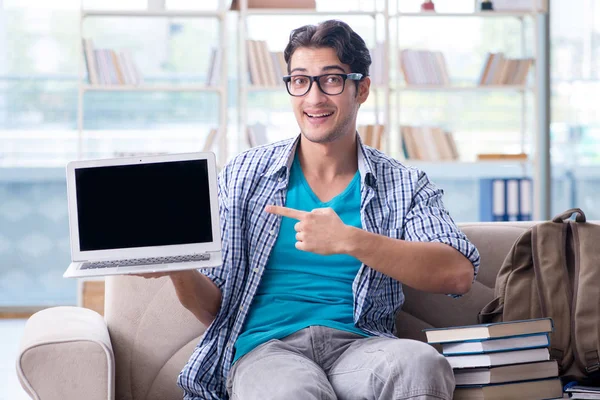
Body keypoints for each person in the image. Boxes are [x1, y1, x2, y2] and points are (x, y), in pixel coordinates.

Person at [141, 19, 480, 400]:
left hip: (362, 349)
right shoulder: (243, 175)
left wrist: (349, 240)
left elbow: (457, 274)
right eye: (300, 80)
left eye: (331, 80)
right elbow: (213, 310)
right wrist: (179, 267)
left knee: (421, 365)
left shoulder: (403, 183)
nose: (314, 98)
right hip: (267, 352)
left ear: (361, 88)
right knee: (293, 393)